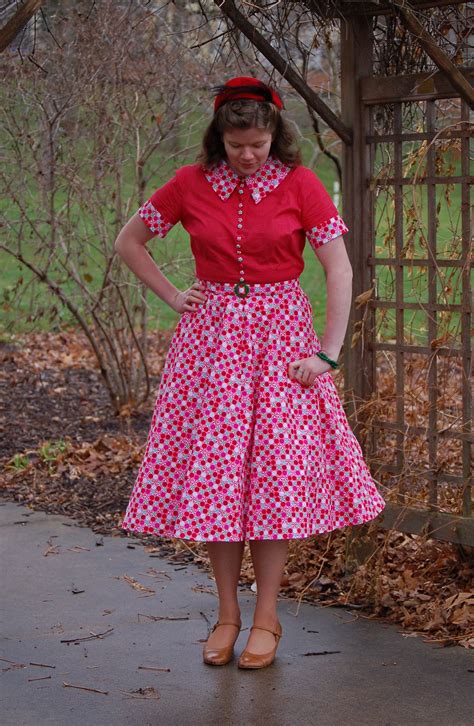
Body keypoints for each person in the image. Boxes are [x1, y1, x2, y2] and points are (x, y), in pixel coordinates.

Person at [114, 76, 386, 670]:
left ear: (273, 136)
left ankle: (266, 615)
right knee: (217, 480)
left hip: (282, 345)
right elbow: (129, 241)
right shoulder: (188, 184)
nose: (248, 154)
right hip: (210, 348)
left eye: (258, 144)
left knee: (270, 481)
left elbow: (338, 268)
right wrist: (171, 295)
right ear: (220, 136)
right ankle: (225, 614)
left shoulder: (300, 183)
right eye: (237, 144)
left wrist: (328, 352)